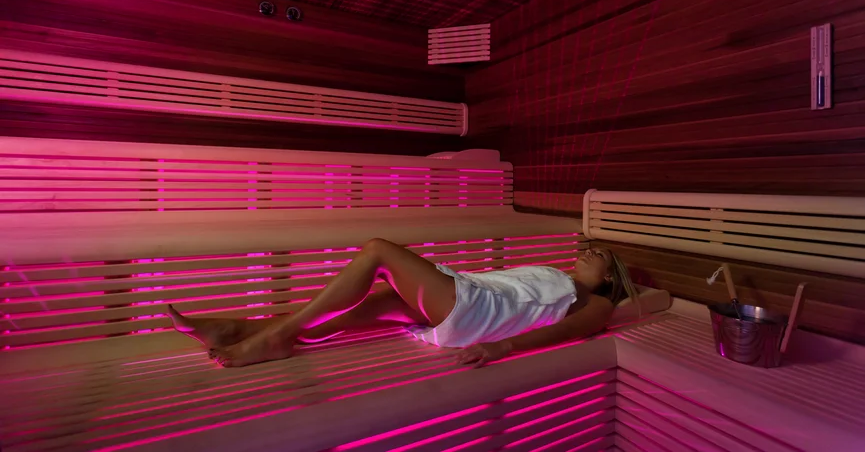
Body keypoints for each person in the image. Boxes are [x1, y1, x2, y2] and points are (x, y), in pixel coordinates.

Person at [167, 239, 639, 368]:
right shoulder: (557, 277)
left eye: (603, 258)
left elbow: (569, 332)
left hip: (473, 312)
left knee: (377, 250)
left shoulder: (591, 302)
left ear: (609, 281)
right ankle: (243, 330)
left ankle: (275, 337)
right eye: (591, 248)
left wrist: (502, 350)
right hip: (463, 302)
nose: (591, 253)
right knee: (356, 310)